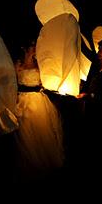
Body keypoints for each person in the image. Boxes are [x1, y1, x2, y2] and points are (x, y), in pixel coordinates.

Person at [14, 41, 64, 179]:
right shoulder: (18, 66)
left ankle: (43, 162)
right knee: (25, 132)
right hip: (23, 101)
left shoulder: (40, 65)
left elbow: (47, 81)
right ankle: (29, 163)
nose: (35, 49)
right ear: (25, 49)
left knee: (40, 129)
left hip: (37, 100)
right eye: (32, 47)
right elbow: (12, 83)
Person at [78, 38, 102, 119]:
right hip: (89, 104)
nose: (98, 53)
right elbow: (88, 80)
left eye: (100, 50)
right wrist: (84, 92)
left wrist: (91, 95)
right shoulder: (95, 65)